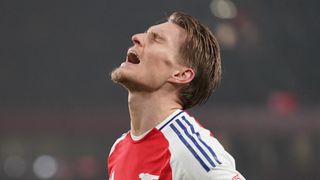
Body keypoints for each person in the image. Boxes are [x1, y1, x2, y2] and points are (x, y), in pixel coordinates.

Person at [107, 11, 245, 180]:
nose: (136, 38)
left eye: (156, 39)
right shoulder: (119, 148)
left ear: (181, 74)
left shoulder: (189, 150)